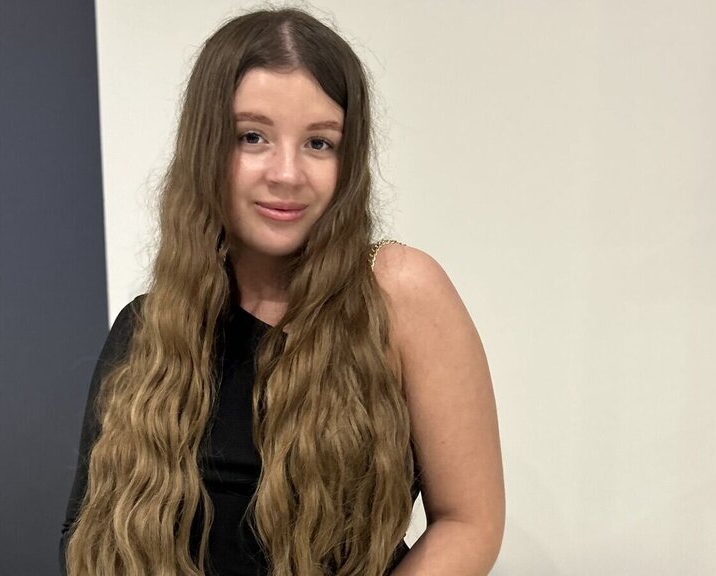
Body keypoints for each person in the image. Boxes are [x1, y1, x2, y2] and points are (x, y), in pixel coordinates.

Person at [61, 7, 504, 576]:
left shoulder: (398, 292)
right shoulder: (145, 328)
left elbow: (469, 521)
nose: (288, 173)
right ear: (207, 147)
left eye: (319, 143)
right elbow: (84, 532)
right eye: (253, 137)